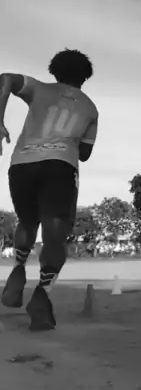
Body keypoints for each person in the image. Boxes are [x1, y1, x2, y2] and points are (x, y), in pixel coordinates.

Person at [0, 49, 98, 331]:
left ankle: (18, 269)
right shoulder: (90, 108)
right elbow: (85, 154)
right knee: (55, 234)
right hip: (60, 166)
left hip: (22, 164)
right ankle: (41, 295)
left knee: (27, 221)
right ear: (85, 77)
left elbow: (6, 78)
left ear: (54, 71)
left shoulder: (39, 89)